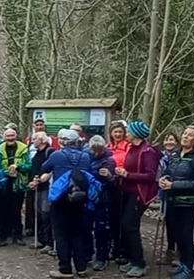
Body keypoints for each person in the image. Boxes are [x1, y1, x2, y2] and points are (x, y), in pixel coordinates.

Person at [160, 126, 194, 279]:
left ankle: (191, 269)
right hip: (174, 201)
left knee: (189, 236)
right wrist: (165, 179)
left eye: (190, 135)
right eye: (184, 134)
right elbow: (169, 172)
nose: (185, 137)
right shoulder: (175, 155)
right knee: (179, 235)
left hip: (192, 203)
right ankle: (183, 264)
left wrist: (173, 185)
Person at [42, 129, 92, 279]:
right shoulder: (85, 156)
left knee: (61, 234)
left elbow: (44, 168)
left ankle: (65, 269)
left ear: (62, 141)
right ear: (77, 142)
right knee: (77, 233)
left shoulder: (57, 155)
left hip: (61, 198)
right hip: (80, 198)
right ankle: (81, 268)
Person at [115, 121, 160, 278]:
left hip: (139, 193)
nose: (126, 134)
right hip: (128, 192)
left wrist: (127, 175)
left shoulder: (147, 151)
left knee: (130, 225)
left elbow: (150, 176)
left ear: (136, 134)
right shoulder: (133, 148)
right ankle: (132, 259)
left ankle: (139, 263)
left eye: (128, 131)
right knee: (126, 225)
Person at [84, 135, 116, 271]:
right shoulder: (85, 157)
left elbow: (114, 183)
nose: (96, 154)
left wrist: (109, 176)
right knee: (85, 227)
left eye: (99, 151)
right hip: (87, 198)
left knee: (101, 229)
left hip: (103, 198)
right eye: (94, 150)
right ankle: (87, 253)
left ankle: (101, 257)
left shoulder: (109, 160)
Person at [0, 127, 31, 246]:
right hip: (3, 184)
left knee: (16, 210)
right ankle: (3, 236)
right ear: (4, 137)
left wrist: (18, 166)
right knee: (2, 210)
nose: (10, 138)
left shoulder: (23, 148)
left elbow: (29, 165)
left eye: (12, 135)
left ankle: (17, 236)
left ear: (16, 136)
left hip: (18, 184)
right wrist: (6, 172)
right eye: (8, 136)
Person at [108, 119, 130, 264]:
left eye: (120, 132)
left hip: (124, 184)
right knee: (112, 218)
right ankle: (115, 247)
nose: (117, 134)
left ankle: (124, 250)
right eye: (115, 132)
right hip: (110, 184)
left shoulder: (128, 146)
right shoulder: (108, 147)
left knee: (123, 219)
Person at [28, 132, 54, 252]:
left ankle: (49, 242)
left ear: (42, 140)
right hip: (37, 187)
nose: (33, 141)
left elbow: (50, 170)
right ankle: (41, 239)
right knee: (38, 214)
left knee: (46, 214)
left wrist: (41, 179)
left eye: (35, 139)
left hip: (46, 188)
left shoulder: (50, 152)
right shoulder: (37, 153)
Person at [160, 132, 180, 263]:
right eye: (167, 140)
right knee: (169, 223)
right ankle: (170, 250)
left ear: (176, 142)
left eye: (172, 140)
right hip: (164, 192)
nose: (169, 142)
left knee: (178, 224)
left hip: (177, 191)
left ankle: (179, 252)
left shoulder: (179, 155)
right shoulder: (161, 156)